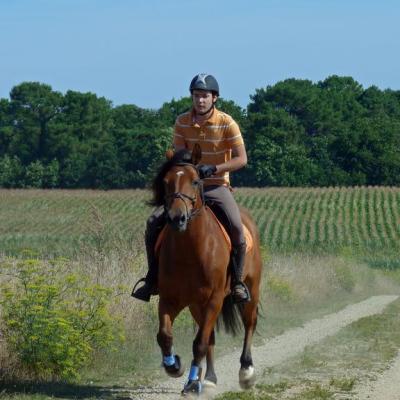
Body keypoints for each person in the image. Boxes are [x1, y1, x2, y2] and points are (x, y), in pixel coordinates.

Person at [132, 73, 250, 303]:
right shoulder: (182, 122)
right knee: (152, 222)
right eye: (197, 96)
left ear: (214, 98)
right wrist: (192, 171)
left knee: (236, 226)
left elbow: (241, 159)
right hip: (186, 187)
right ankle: (152, 278)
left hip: (216, 186)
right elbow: (178, 157)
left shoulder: (227, 123)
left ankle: (236, 282)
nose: (200, 100)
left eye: (205, 96)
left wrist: (214, 169)